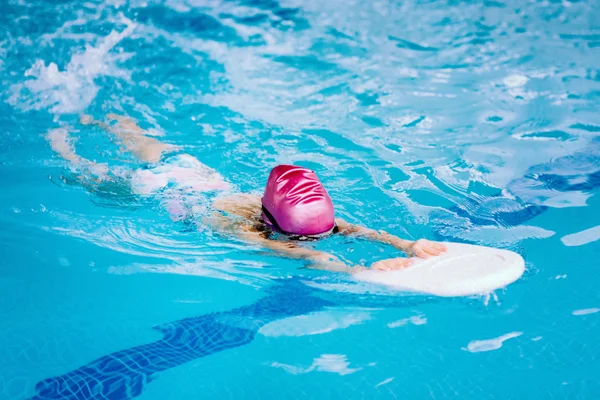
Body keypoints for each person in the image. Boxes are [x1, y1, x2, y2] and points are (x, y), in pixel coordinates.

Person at [47, 114, 446, 273]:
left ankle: (84, 119)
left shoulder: (274, 213)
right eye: (305, 235)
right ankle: (59, 145)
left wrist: (406, 243)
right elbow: (310, 254)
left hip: (194, 172)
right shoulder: (237, 228)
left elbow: (348, 230)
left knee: (137, 139)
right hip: (160, 189)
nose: (313, 238)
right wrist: (359, 272)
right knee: (85, 180)